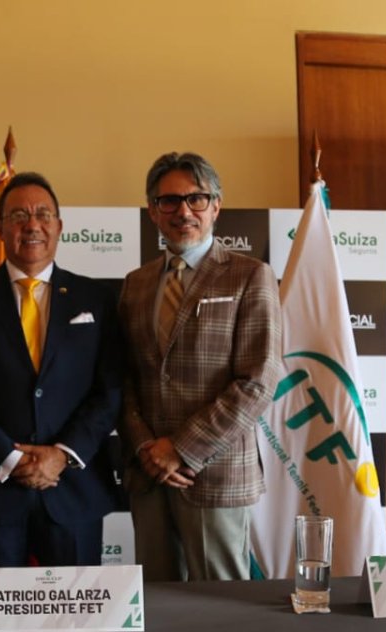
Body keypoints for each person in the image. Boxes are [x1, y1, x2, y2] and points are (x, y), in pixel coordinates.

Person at [0, 172, 122, 567]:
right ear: (1, 228)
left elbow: (109, 390)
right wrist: (7, 456)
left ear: (59, 227)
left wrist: (62, 454)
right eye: (19, 215)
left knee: (75, 622)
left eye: (42, 214)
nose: (32, 224)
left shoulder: (97, 298)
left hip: (73, 487)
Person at [118, 151, 283, 582]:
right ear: (153, 211)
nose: (183, 211)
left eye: (196, 198)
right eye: (169, 201)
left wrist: (181, 448)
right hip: (149, 475)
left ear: (216, 206)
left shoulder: (250, 275)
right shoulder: (135, 284)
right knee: (156, 606)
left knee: (222, 610)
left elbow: (258, 379)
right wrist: (145, 449)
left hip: (215, 473)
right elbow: (123, 378)